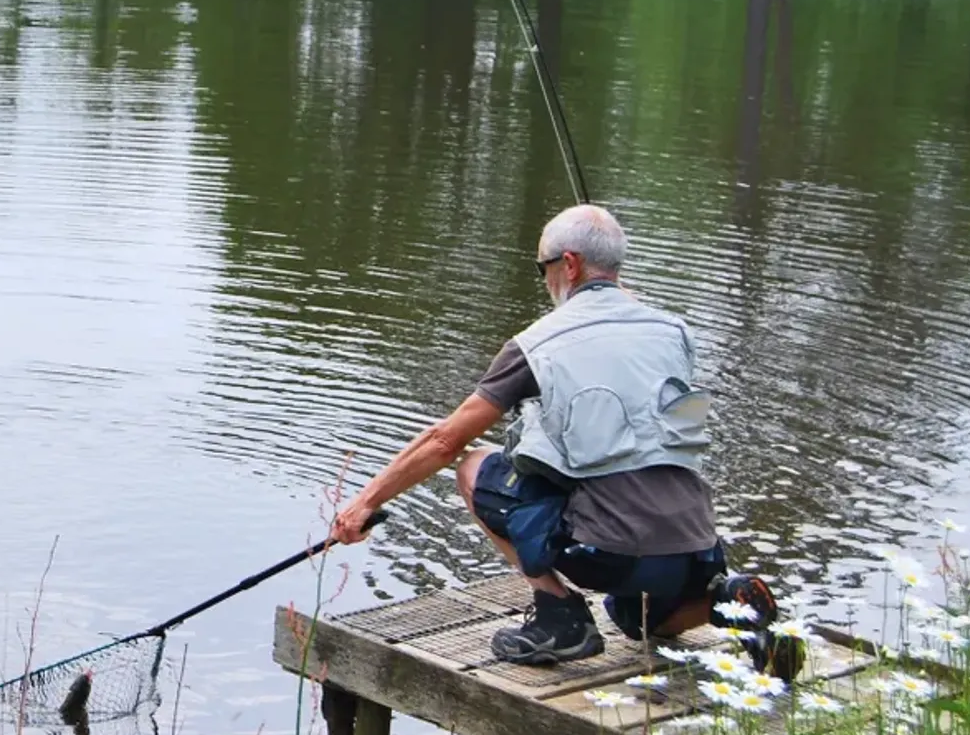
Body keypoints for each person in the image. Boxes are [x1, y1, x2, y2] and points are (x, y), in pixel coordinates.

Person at [327, 204, 800, 677]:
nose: (546, 280)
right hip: (695, 545)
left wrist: (365, 503)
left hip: (610, 555)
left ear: (569, 264)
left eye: (544, 268)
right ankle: (725, 600)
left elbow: (444, 441)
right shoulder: (673, 332)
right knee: (636, 621)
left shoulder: (537, 344)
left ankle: (561, 616)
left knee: (473, 465)